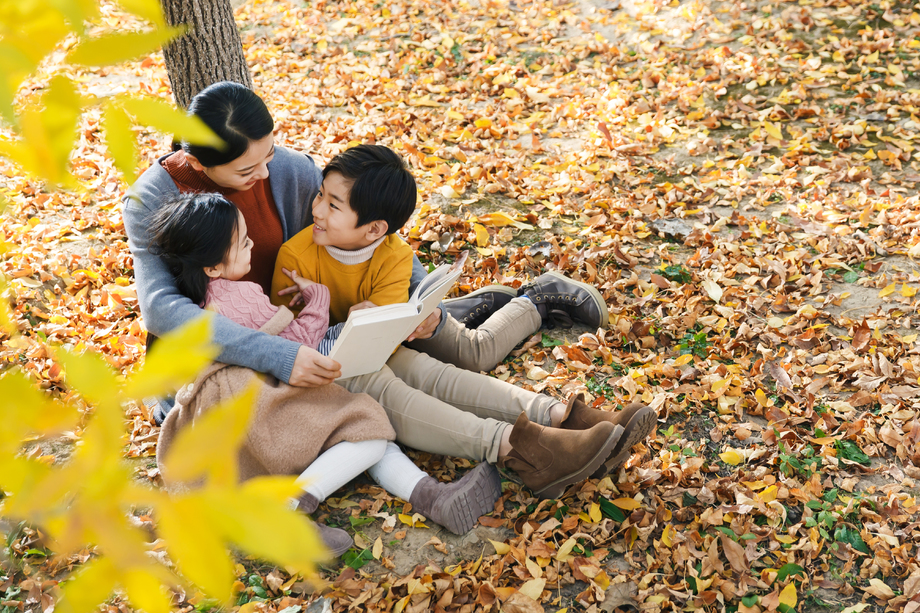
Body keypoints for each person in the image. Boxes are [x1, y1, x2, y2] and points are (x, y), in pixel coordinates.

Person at [271, 145, 657, 499]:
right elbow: (286, 338)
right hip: (319, 369)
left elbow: (383, 338)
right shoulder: (296, 256)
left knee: (426, 370)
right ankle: (521, 449)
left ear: (374, 229)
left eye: (333, 204)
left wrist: (381, 320)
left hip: (369, 352)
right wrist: (322, 309)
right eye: (320, 194)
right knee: (387, 384)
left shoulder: (393, 254)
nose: (316, 209)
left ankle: (561, 416)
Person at [149, 191, 502, 555]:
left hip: (234, 410)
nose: (253, 244)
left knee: (362, 427)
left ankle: (431, 496)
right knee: (367, 431)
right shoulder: (241, 297)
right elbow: (299, 343)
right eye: (243, 243)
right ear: (212, 267)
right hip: (257, 406)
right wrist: (318, 299)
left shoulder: (203, 302)